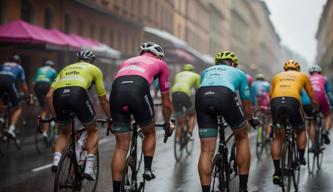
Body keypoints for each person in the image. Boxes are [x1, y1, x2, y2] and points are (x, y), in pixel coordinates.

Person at [109, 42, 174, 192]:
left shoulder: (126, 62)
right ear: (159, 56)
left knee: (120, 147)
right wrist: (167, 122)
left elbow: (122, 83)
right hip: (138, 92)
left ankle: (116, 189)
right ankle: (147, 169)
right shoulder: (161, 63)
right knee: (149, 132)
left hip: (116, 93)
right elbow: (166, 103)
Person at [195, 51, 259, 192]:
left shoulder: (205, 71)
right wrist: (250, 119)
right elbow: (246, 104)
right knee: (242, 137)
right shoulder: (239, 73)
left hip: (201, 96)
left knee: (206, 150)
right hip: (224, 96)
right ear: (233, 64)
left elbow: (208, 88)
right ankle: (243, 187)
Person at [47, 50, 110, 180]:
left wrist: (56, 117)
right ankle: (88, 168)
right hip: (78, 94)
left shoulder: (65, 69)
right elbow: (103, 100)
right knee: (93, 131)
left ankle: (56, 161)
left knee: (64, 133)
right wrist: (110, 118)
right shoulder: (95, 69)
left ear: (78, 60)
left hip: (59, 96)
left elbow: (48, 96)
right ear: (92, 62)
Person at [269, 60, 318, 185]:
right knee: (301, 130)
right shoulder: (302, 76)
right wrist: (315, 108)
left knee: (277, 137)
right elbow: (311, 95)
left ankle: (276, 171)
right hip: (293, 102)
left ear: (285, 69)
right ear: (297, 69)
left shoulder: (276, 77)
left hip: (276, 102)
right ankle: (301, 158)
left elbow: (270, 95)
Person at [0, 54, 29, 138]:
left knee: (1, 102)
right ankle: (11, 129)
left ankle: (1, 118)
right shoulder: (19, 67)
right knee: (18, 108)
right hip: (9, 83)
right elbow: (23, 85)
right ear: (19, 61)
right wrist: (27, 95)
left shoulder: (3, 64)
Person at [171, 64, 200, 138]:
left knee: (180, 119)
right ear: (192, 70)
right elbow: (198, 91)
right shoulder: (196, 75)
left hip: (174, 94)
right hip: (185, 94)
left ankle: (179, 138)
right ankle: (189, 132)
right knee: (192, 114)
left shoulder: (178, 75)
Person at [307, 65, 333, 145]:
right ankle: (326, 131)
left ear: (310, 73)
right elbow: (329, 93)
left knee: (311, 122)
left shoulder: (307, 79)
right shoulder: (324, 78)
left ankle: (314, 145)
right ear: (319, 72)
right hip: (322, 98)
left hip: (310, 99)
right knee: (328, 115)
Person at [33, 59, 58, 138]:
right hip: (46, 85)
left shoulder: (39, 69)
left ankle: (41, 121)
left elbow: (33, 82)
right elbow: (56, 83)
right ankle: (46, 130)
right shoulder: (53, 70)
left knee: (43, 108)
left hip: (37, 86)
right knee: (50, 106)